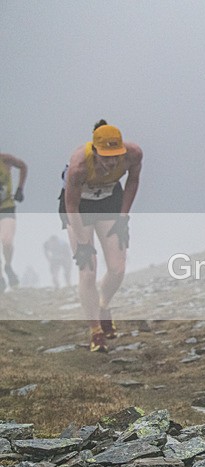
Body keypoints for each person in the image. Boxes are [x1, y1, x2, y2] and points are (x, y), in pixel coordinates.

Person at [61, 120, 142, 352]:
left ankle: (104, 304)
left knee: (117, 268)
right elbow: (71, 207)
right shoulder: (79, 165)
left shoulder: (134, 154)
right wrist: (83, 243)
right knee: (88, 270)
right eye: (106, 157)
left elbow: (133, 180)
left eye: (116, 156)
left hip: (109, 203)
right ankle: (95, 331)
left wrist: (123, 217)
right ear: (95, 151)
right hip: (79, 209)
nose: (112, 162)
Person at [0, 150, 28, 292]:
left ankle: (8, 266)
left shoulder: (5, 159)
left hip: (6, 207)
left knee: (7, 241)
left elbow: (23, 166)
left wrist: (20, 189)